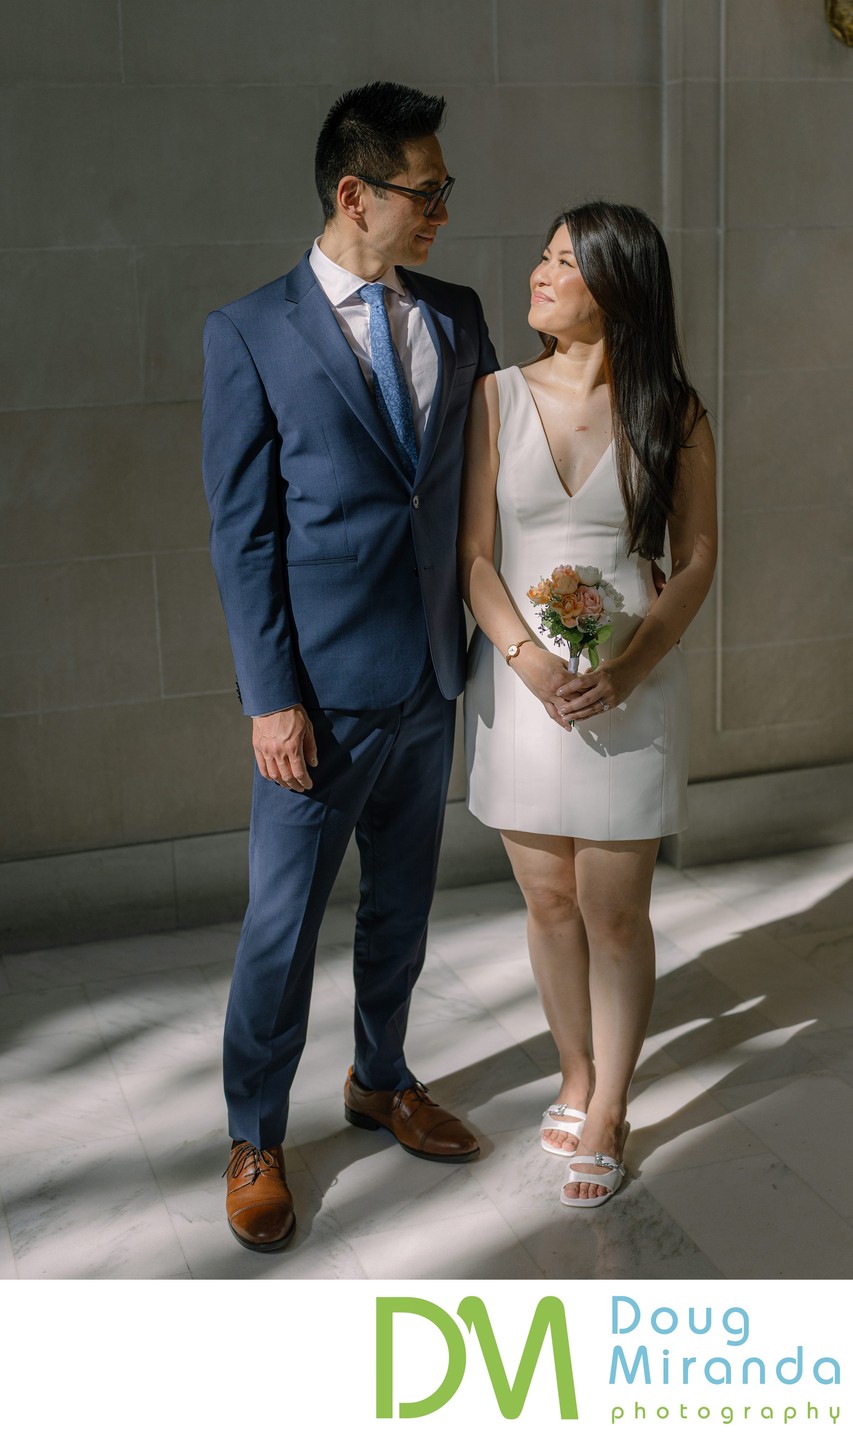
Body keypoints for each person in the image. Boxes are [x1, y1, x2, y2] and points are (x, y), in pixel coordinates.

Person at [202, 81, 498, 1252]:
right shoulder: (249, 332)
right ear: (353, 193)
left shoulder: (459, 313)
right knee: (281, 930)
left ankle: (381, 1079)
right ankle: (253, 1134)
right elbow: (243, 533)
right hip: (313, 703)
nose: (439, 212)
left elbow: (476, 486)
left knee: (403, 911)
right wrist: (270, 697)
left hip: (430, 680)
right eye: (424, 193)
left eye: (444, 192)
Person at [459, 201, 716, 1209]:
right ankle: (573, 1071)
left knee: (614, 912)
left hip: (628, 686)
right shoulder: (491, 398)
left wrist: (634, 664)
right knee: (549, 901)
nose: (539, 273)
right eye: (543, 254)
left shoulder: (673, 409)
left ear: (614, 286)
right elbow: (475, 558)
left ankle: (609, 1103)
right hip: (522, 690)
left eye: (563, 262)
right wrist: (523, 660)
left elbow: (696, 560)